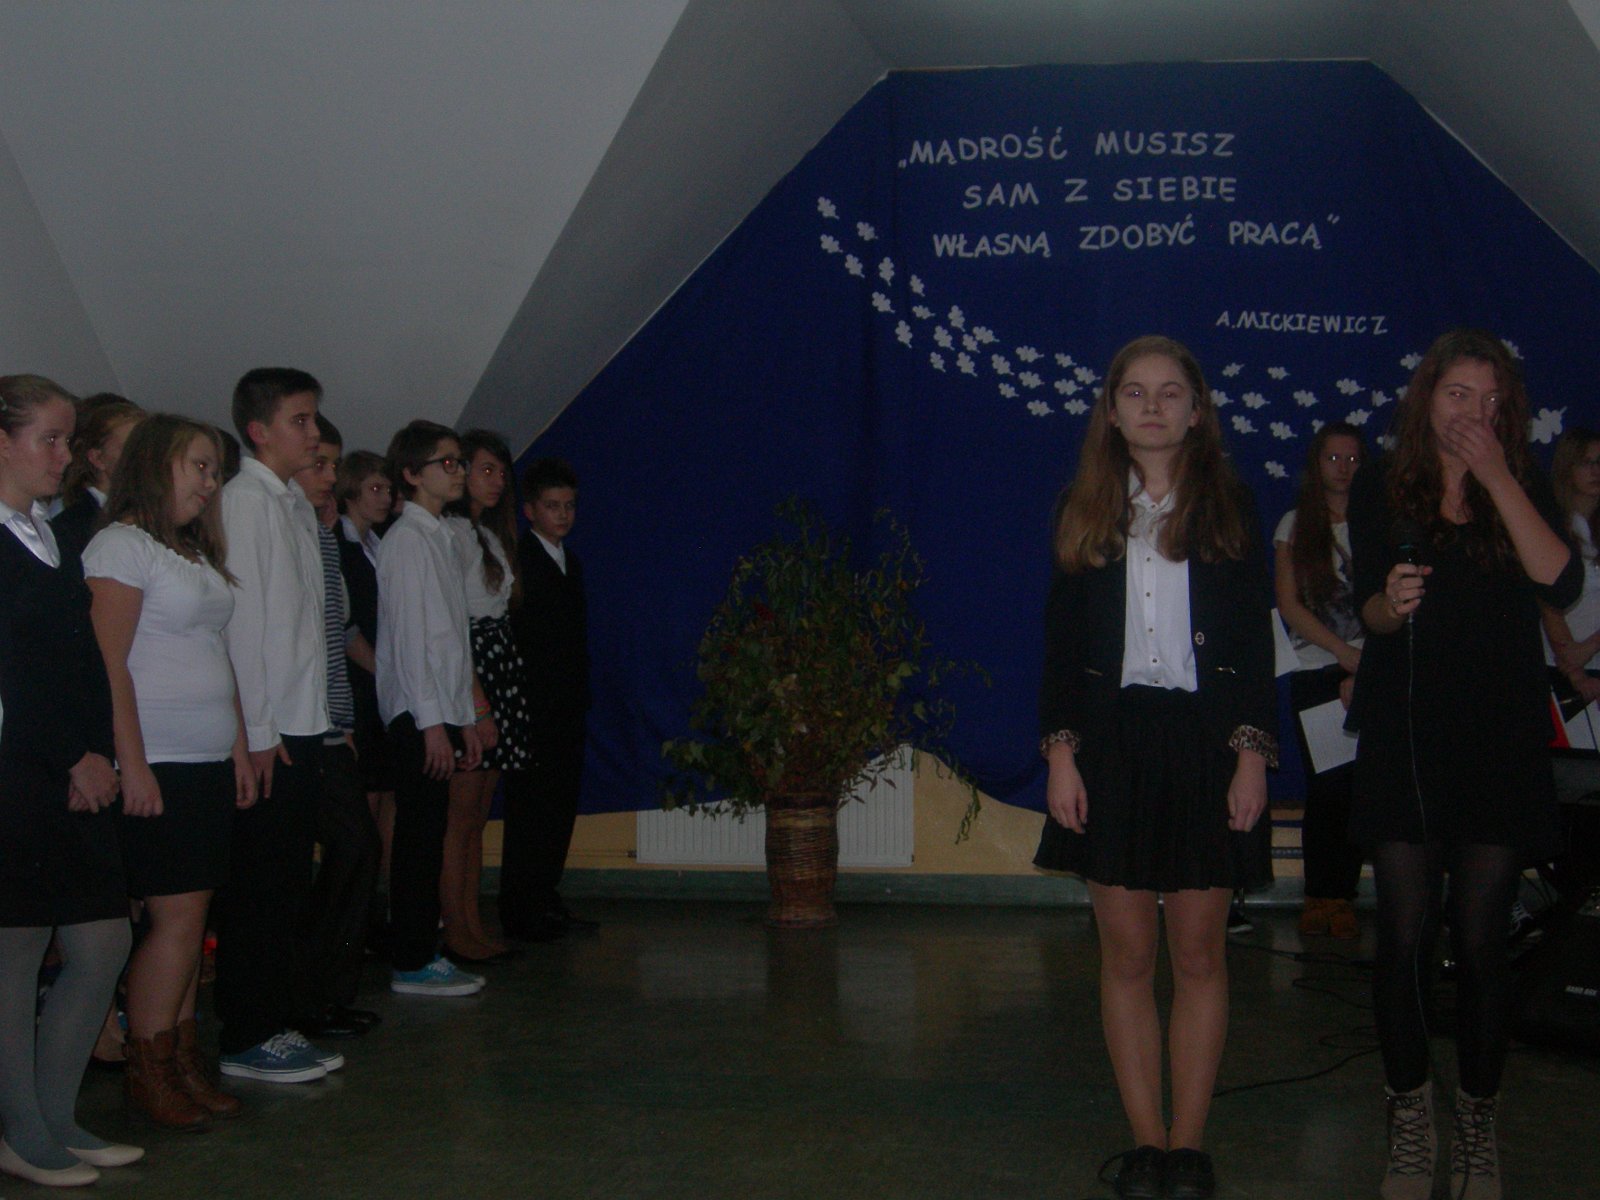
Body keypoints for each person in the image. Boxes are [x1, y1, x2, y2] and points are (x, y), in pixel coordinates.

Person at [1033, 336, 1275, 1200]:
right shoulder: (1084, 509)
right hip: (1114, 745)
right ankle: (1146, 1144)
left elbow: (1252, 647)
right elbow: (1062, 648)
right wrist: (1063, 755)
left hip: (1207, 744)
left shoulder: (1231, 509)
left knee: (1200, 955)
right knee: (1128, 957)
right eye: (1134, 392)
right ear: (1110, 411)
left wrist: (1250, 757)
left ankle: (1189, 1147)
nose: (1152, 406)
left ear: (1197, 411)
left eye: (1170, 392)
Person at [1346, 329, 1580, 1200]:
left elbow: (1560, 583)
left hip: (1499, 738)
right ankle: (1410, 1118)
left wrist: (1496, 476)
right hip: (1406, 734)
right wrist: (1388, 604)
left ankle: (1478, 1123)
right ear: (1425, 397)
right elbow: (1368, 610)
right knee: (1404, 935)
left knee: (1483, 941)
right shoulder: (1382, 481)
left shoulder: (1520, 482)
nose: (1473, 412)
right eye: (1458, 394)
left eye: (1490, 400)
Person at [84, 414, 255, 1127]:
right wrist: (133, 764)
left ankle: (181, 1060)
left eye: (215, 469)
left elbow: (218, 654)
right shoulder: (120, 546)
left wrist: (238, 747)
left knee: (192, 917)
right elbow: (109, 666)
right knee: (175, 920)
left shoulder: (188, 551)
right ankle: (149, 1072)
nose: (210, 482)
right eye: (198, 466)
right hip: (160, 760)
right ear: (156, 465)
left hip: (205, 759)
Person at [0, 374, 140, 1186]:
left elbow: (79, 662)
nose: (64, 455)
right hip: (20, 773)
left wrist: (99, 754)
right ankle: (23, 1133)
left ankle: (57, 1115)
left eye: (67, 438)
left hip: (77, 769)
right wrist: (68, 757)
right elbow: (10, 675)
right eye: (49, 439)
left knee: (103, 940)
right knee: (15, 957)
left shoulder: (48, 534)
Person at [214, 367, 341, 1083]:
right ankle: (247, 1033)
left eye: (313, 418)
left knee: (288, 878)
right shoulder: (245, 503)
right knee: (260, 885)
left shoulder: (291, 503)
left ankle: (274, 1016)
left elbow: (303, 631)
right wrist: (258, 735)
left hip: (300, 723)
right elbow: (245, 630)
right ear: (259, 431)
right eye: (301, 420)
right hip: (270, 733)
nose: (314, 433)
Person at [376, 420, 490, 996]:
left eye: (459, 461)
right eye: (446, 463)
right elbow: (411, 640)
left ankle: (423, 949)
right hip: (416, 715)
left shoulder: (442, 536)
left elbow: (453, 640)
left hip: (440, 711)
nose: (458, 471)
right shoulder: (407, 542)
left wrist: (464, 716)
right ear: (411, 474)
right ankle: (411, 958)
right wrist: (431, 725)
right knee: (418, 841)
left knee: (431, 833)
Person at [291, 415, 382, 1039]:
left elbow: (339, 634)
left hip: (330, 724)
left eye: (333, 465)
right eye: (319, 464)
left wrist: (350, 716)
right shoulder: (287, 527)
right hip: (299, 728)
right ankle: (310, 991)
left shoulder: (323, 538)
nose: (329, 476)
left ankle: (328, 991)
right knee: (351, 848)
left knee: (357, 851)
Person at [441, 431, 533, 962]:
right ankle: (455, 927)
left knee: (477, 815)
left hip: (498, 662)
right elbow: (455, 625)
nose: (496, 481)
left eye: (501, 472)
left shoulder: (490, 534)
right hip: (472, 668)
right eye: (485, 470)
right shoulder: (451, 533)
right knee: (459, 816)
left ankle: (472, 922)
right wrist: (477, 701)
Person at [1274, 422, 1367, 940]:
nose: (1343, 468)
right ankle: (1320, 894)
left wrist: (1364, 660)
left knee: (1361, 788)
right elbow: (1289, 605)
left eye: (1352, 459)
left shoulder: (1377, 522)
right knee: (1327, 788)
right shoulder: (1295, 524)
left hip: (1375, 667)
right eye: (1333, 458)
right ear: (1316, 464)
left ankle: (1345, 895)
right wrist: (1341, 653)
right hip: (1316, 668)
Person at [502, 457, 596, 942]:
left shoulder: (569, 562)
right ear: (530, 511)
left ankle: (544, 896)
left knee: (559, 808)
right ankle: (522, 908)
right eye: (552, 506)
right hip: (534, 707)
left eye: (569, 506)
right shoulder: (520, 562)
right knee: (532, 810)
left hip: (566, 705)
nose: (562, 515)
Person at [1541, 427, 1600, 706]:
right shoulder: (1552, 528)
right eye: (1587, 463)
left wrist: (1591, 646)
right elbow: (1549, 607)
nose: (1596, 471)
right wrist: (1577, 675)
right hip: (1563, 668)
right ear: (1568, 468)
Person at [51, 397, 144, 562]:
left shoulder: (154, 512)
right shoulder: (73, 526)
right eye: (131, 448)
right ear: (98, 458)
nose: (145, 458)